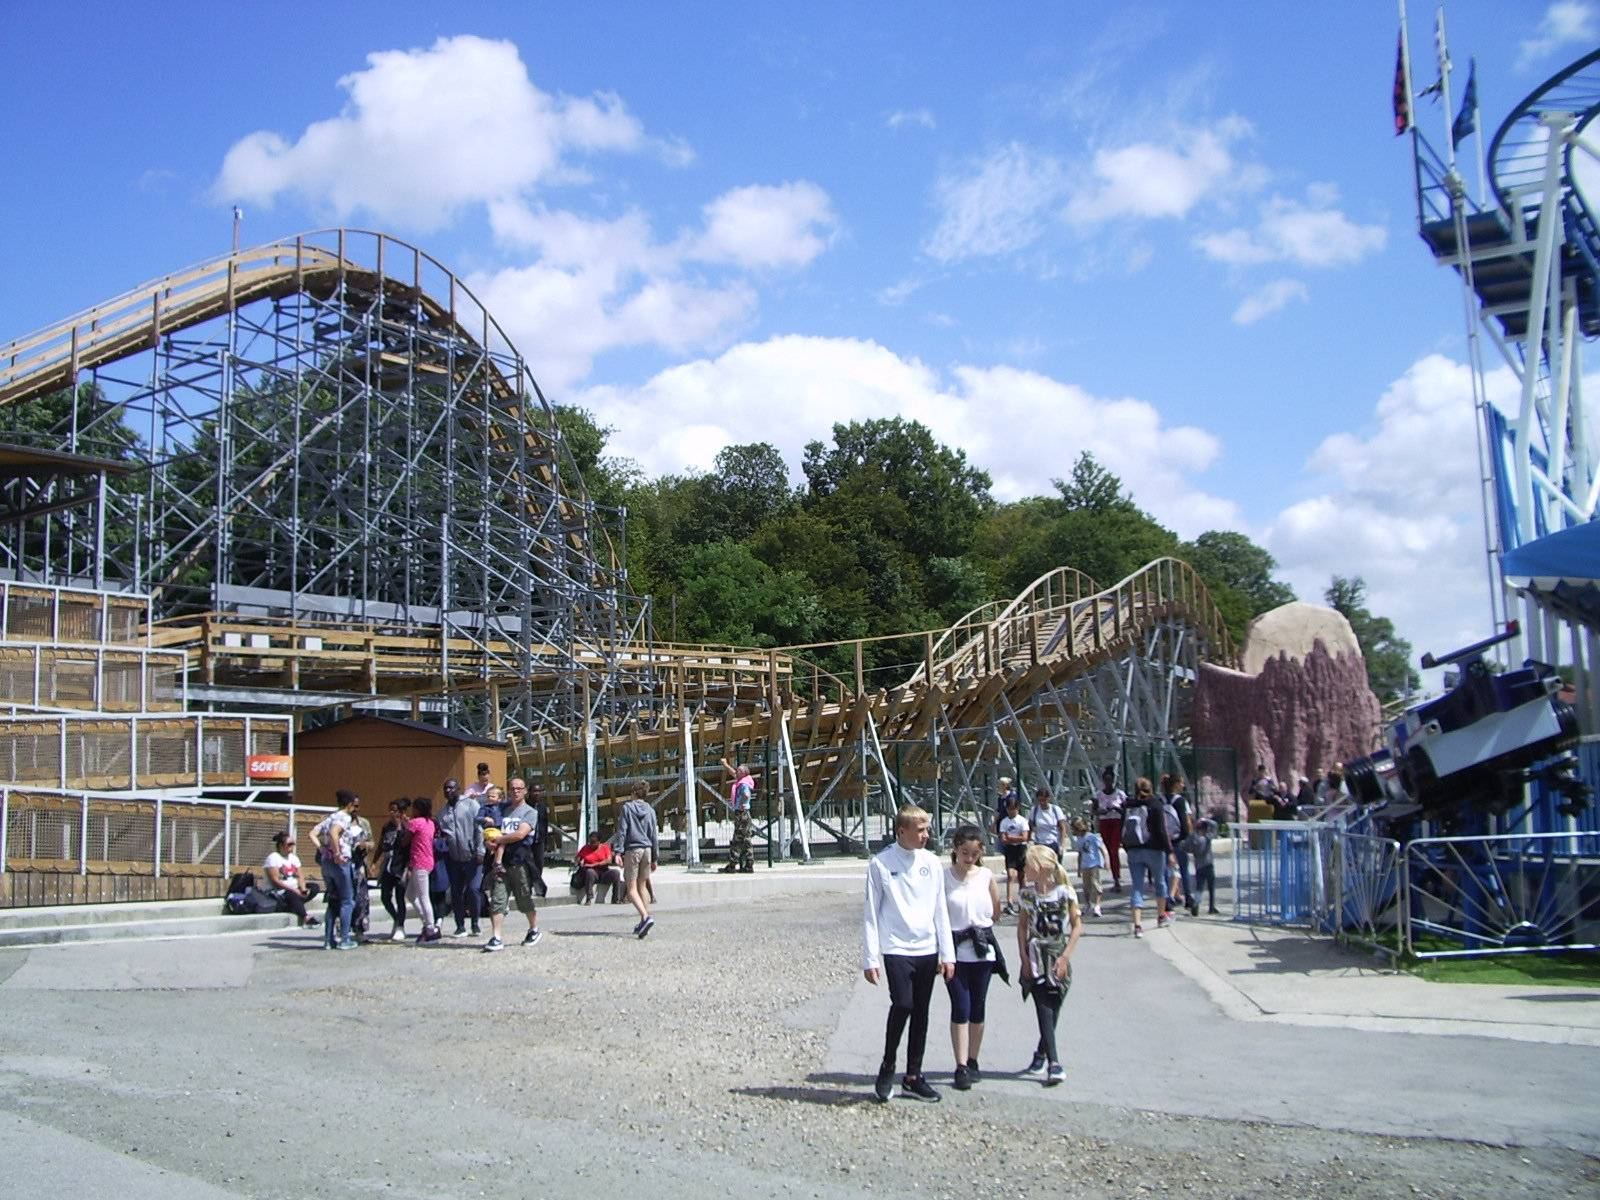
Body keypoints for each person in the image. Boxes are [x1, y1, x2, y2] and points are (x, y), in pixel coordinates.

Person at [861, 804, 955, 1104]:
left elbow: (940, 908)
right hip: (896, 947)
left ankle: (914, 1075)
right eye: (920, 830)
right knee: (902, 1004)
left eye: (927, 829)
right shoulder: (881, 864)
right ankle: (888, 1064)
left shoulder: (931, 863)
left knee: (922, 1011)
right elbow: (871, 914)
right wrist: (870, 958)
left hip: (927, 947)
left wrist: (947, 952)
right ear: (902, 832)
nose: (926, 835)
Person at [1015, 844, 1082, 1088]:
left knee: (1054, 1009)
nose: (1024, 869)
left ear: (1040, 868)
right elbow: (1022, 927)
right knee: (1043, 1007)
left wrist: (1065, 957)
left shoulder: (1065, 893)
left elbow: (1077, 926)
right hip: (1036, 956)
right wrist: (1023, 957)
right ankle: (1054, 1063)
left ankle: (1041, 1053)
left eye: (1028, 865)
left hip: (1057, 951)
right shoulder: (1027, 895)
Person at [943, 824, 1002, 1091]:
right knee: (961, 1007)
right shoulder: (944, 878)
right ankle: (961, 1064)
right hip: (955, 951)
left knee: (978, 1007)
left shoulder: (986, 875)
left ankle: (974, 1059)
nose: (968, 859)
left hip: (981, 949)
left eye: (974, 854)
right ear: (955, 850)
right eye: (964, 853)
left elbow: (996, 911)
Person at [482, 782, 543, 952]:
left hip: (520, 861)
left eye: (519, 789)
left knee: (523, 899)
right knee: (498, 899)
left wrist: (499, 840)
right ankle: (496, 936)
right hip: (501, 862)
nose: (515, 792)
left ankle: (534, 928)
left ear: (524, 791)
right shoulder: (503, 810)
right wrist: (488, 842)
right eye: (512, 789)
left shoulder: (530, 812)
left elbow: (520, 834)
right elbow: (492, 830)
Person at [311, 790, 366, 950]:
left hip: (326, 862)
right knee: (347, 901)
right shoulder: (343, 817)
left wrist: (322, 849)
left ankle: (328, 939)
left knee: (333, 899)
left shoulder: (331, 817)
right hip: (340, 861)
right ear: (349, 804)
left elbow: (313, 833)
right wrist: (336, 853)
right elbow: (335, 833)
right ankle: (344, 938)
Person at [1121, 777, 1171, 939]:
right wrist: (1169, 851)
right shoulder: (1156, 805)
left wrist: (1128, 848)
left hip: (1134, 850)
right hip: (1154, 849)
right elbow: (1162, 830)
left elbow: (1124, 829)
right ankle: (1161, 916)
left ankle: (1137, 925)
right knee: (1160, 882)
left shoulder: (1128, 805)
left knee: (1137, 887)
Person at [437, 777, 483, 938]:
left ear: (459, 789)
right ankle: (460, 925)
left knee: (473, 889)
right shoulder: (442, 812)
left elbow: (479, 829)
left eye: (451, 788)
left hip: (471, 856)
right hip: (453, 859)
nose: (448, 791)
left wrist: (480, 851)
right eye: (446, 788)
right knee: (456, 892)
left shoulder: (471, 805)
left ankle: (475, 923)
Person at [615, 781, 660, 938]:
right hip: (647, 849)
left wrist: (618, 851)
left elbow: (622, 831)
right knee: (642, 886)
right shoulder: (650, 810)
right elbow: (654, 834)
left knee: (631, 888)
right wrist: (655, 856)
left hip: (633, 849)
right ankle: (643, 919)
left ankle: (646, 917)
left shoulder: (627, 808)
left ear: (634, 792)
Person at [262, 832, 319, 927]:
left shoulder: (294, 858)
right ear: (281, 845)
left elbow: (300, 876)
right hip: (278, 892)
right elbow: (275, 881)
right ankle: (306, 918)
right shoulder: (273, 858)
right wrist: (295, 891)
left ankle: (294, 904)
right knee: (291, 894)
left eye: (293, 844)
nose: (292, 846)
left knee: (314, 887)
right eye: (289, 844)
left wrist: (303, 889)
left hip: (294, 890)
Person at [405, 797, 442, 943]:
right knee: (410, 894)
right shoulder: (430, 823)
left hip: (419, 862)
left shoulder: (415, 823)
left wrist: (404, 826)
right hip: (428, 860)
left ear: (418, 809)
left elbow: (405, 840)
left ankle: (430, 927)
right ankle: (426, 922)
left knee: (423, 896)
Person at [375, 798, 412, 941]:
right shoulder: (386, 827)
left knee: (399, 896)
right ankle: (396, 918)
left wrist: (399, 826)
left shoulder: (407, 826)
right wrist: (374, 862)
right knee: (385, 896)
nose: (392, 813)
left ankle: (400, 926)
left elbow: (406, 846)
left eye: (395, 811)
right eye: (391, 810)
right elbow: (381, 844)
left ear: (402, 812)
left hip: (401, 864)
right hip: (388, 863)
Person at [510, 779, 549, 898]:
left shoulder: (542, 806)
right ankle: (528, 886)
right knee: (528, 863)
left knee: (539, 863)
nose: (536, 793)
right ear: (528, 792)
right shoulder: (525, 806)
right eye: (534, 791)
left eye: (538, 791)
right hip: (527, 840)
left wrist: (546, 841)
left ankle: (538, 885)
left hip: (539, 839)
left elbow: (545, 824)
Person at [1090, 766, 1126, 892]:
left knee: (1114, 850)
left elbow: (1125, 810)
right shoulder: (1098, 795)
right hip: (1105, 823)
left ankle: (1117, 879)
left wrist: (1116, 808)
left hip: (1116, 822)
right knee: (1109, 850)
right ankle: (1114, 876)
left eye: (1110, 780)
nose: (1108, 782)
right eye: (1105, 780)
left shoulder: (1120, 794)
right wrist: (1100, 811)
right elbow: (1093, 811)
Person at [719, 759, 756, 874]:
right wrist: (726, 765)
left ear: (744, 773)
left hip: (741, 814)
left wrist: (743, 804)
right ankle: (749, 865)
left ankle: (732, 865)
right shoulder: (743, 780)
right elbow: (733, 773)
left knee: (737, 840)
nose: (737, 772)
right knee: (746, 839)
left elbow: (746, 794)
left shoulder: (743, 784)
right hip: (744, 814)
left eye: (739, 770)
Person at [1167, 774, 1196, 917]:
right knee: (1184, 869)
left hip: (1165, 840)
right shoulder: (1180, 801)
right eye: (1181, 783)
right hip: (1179, 840)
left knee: (1168, 870)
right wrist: (1189, 838)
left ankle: (1169, 896)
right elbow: (1186, 821)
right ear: (1176, 784)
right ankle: (1188, 897)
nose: (1183, 786)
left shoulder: (1160, 800)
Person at [571, 830, 624, 904]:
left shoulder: (605, 848)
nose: (591, 844)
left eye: (594, 842)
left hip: (604, 872)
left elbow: (608, 860)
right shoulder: (586, 848)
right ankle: (589, 898)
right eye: (590, 842)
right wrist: (579, 861)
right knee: (590, 872)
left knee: (616, 873)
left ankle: (616, 898)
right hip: (592, 873)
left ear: (599, 841)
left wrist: (595, 864)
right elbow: (577, 858)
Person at [997, 795, 1030, 915]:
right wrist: (1016, 838)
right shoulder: (1004, 822)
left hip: (1021, 849)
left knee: (1022, 876)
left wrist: (1011, 837)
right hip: (1010, 850)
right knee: (1011, 875)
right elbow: (1003, 839)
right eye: (1009, 809)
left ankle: (1023, 901)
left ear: (1018, 808)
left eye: (1013, 809)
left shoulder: (1022, 821)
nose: (1011, 811)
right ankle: (1010, 902)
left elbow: (1025, 837)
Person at [1072, 816, 1105, 918]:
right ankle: (1087, 904)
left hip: (1094, 864)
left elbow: (1102, 849)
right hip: (1085, 865)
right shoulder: (1079, 840)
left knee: (1096, 885)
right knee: (1086, 887)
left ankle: (1097, 906)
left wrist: (1105, 860)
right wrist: (1079, 868)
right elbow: (1080, 854)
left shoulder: (1092, 837)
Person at [1185, 817, 1219, 915]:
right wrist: (1205, 820)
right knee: (1211, 888)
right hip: (1208, 864)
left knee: (1199, 888)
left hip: (1198, 866)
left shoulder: (1193, 838)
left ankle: (1196, 902)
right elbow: (1215, 825)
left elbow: (1185, 846)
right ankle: (1212, 907)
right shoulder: (1207, 838)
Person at [1028, 785, 1068, 858]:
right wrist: (1028, 843)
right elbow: (1030, 827)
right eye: (1040, 800)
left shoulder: (1055, 810)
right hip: (1040, 844)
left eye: (1044, 800)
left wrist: (1061, 845)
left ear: (1048, 799)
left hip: (1054, 843)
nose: (1042, 803)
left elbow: (1063, 828)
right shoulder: (1034, 810)